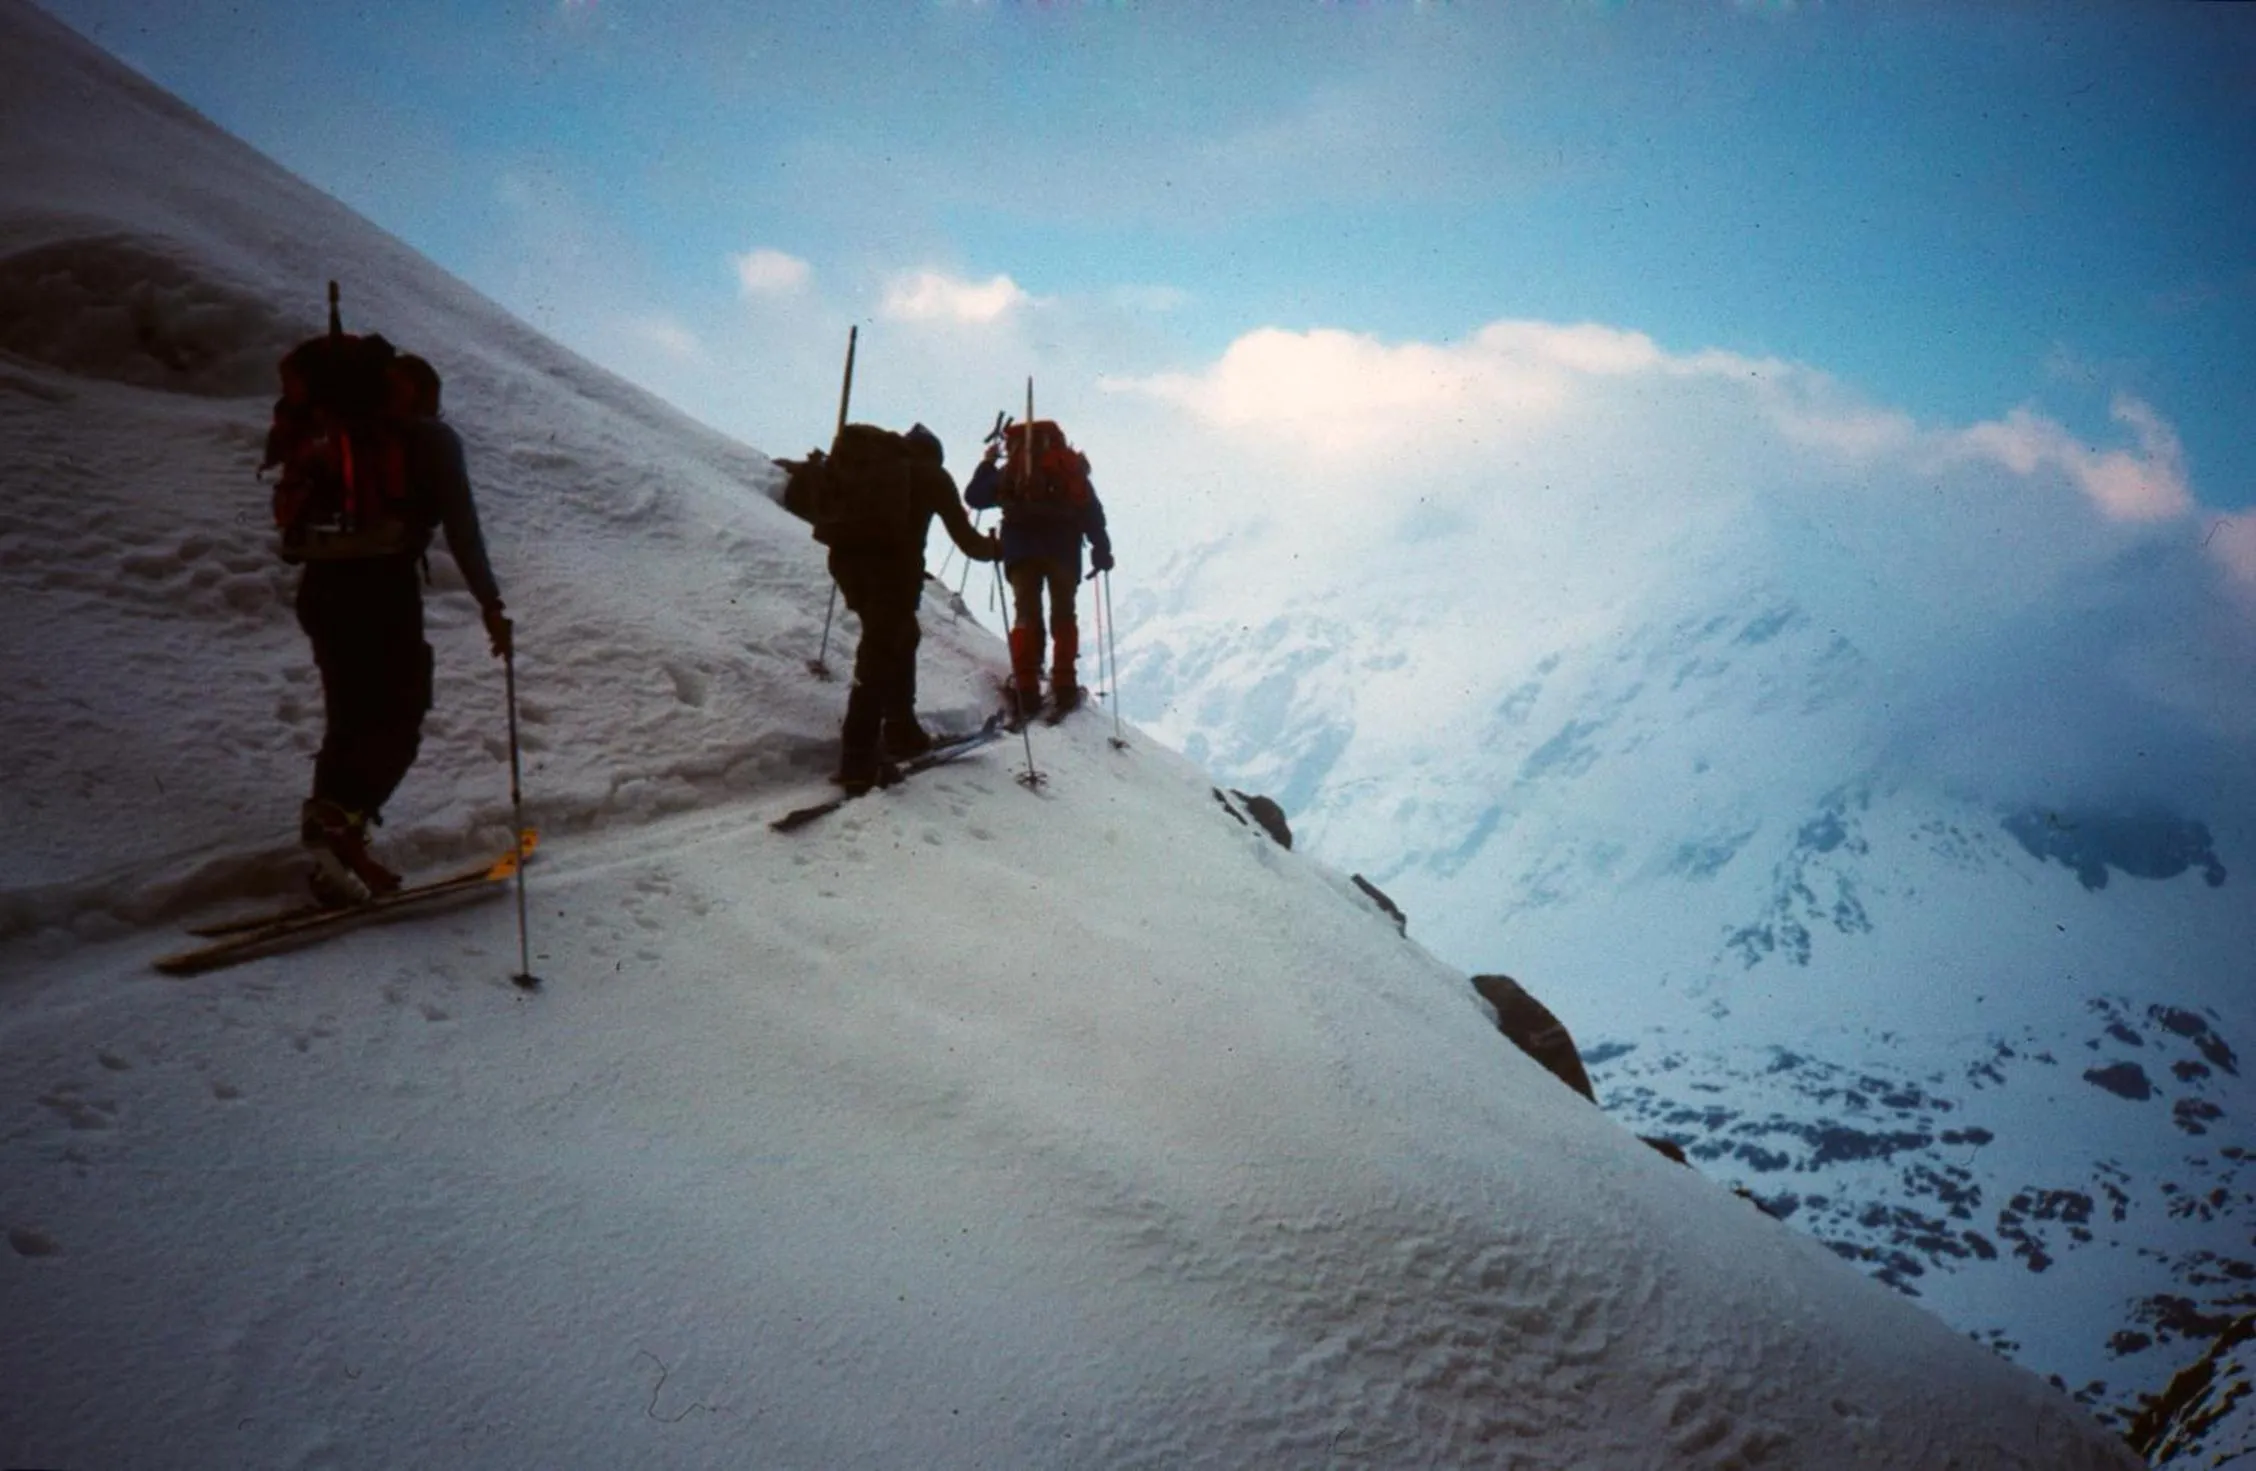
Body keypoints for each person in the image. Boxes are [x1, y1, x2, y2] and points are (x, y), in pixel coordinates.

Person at [277, 346, 511, 903]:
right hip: (381, 588)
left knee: (349, 718)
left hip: (321, 587)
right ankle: (341, 836)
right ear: (424, 395)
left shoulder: (332, 430)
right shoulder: (428, 437)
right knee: (400, 718)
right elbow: (462, 530)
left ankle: (333, 854)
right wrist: (491, 606)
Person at [822, 423, 999, 792]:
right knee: (881, 650)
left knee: (900, 638)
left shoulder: (868, 466)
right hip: (892, 573)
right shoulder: (932, 475)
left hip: (848, 566)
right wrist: (995, 549)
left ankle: (901, 730)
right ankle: (858, 757)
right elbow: (967, 541)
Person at [964, 421, 1113, 723]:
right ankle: (1064, 683)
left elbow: (975, 497)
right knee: (1064, 614)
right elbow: (1092, 511)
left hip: (1021, 553)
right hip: (1064, 552)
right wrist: (1101, 550)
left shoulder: (1014, 471)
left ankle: (1027, 685)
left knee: (1025, 615)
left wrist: (988, 463)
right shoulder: (1069, 468)